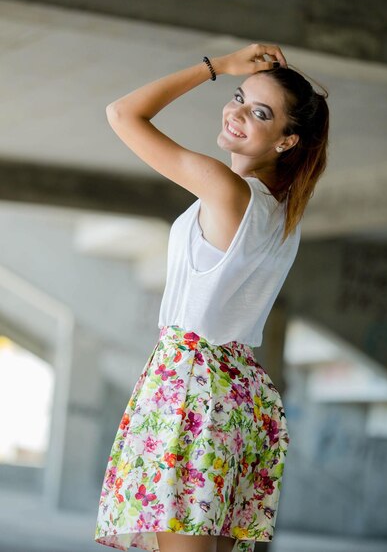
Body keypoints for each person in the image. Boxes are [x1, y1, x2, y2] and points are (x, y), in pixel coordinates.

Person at [94, 43, 329, 552]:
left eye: (259, 112)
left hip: (192, 391)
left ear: (287, 140)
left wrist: (218, 68)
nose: (237, 112)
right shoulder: (282, 215)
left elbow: (122, 114)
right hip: (236, 393)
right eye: (239, 97)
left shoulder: (226, 189)